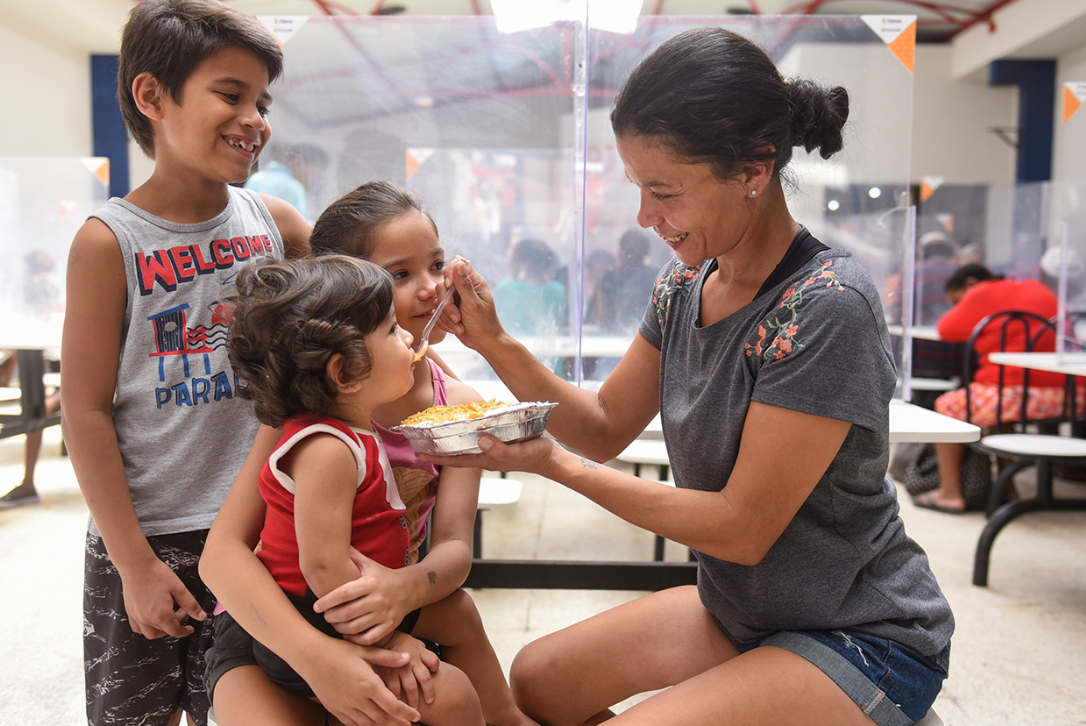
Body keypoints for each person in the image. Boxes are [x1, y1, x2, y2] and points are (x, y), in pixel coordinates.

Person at [430, 27, 954, 726]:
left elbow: (741, 530)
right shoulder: (685, 284)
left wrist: (550, 465)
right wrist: (493, 341)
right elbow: (605, 426)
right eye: (638, 189)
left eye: (664, 191)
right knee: (537, 681)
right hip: (746, 610)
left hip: (859, 631)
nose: (646, 218)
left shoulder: (827, 305)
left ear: (754, 170)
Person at [200, 181, 536, 726]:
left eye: (436, 264)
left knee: (454, 682)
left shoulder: (457, 410)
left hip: (390, 609)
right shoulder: (309, 414)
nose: (430, 289)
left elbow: (452, 546)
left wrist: (401, 592)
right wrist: (321, 659)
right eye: (399, 275)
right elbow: (222, 556)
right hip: (275, 625)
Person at [59, 1, 310, 724]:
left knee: (239, 709)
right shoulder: (110, 243)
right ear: (151, 96)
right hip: (142, 537)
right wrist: (134, 563)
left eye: (261, 101)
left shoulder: (278, 228)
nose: (255, 118)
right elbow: (85, 410)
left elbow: (331, 346)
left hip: (252, 535)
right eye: (231, 94)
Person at [220, 254, 487, 724]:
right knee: (453, 696)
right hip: (316, 622)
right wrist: (385, 641)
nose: (407, 335)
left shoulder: (346, 430)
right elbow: (322, 565)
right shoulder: (327, 448)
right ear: (345, 374)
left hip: (346, 610)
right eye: (389, 330)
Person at [915, 264, 1079, 513]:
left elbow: (947, 329)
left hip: (1018, 392)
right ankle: (1008, 488)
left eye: (957, 301)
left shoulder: (981, 292)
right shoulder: (1035, 287)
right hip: (1070, 393)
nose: (959, 307)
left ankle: (949, 493)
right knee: (999, 414)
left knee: (947, 405)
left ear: (970, 284)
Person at [491, 237, 568, 337]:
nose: (510, 264)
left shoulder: (507, 288)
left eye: (514, 259)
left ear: (525, 263)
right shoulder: (558, 290)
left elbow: (497, 329)